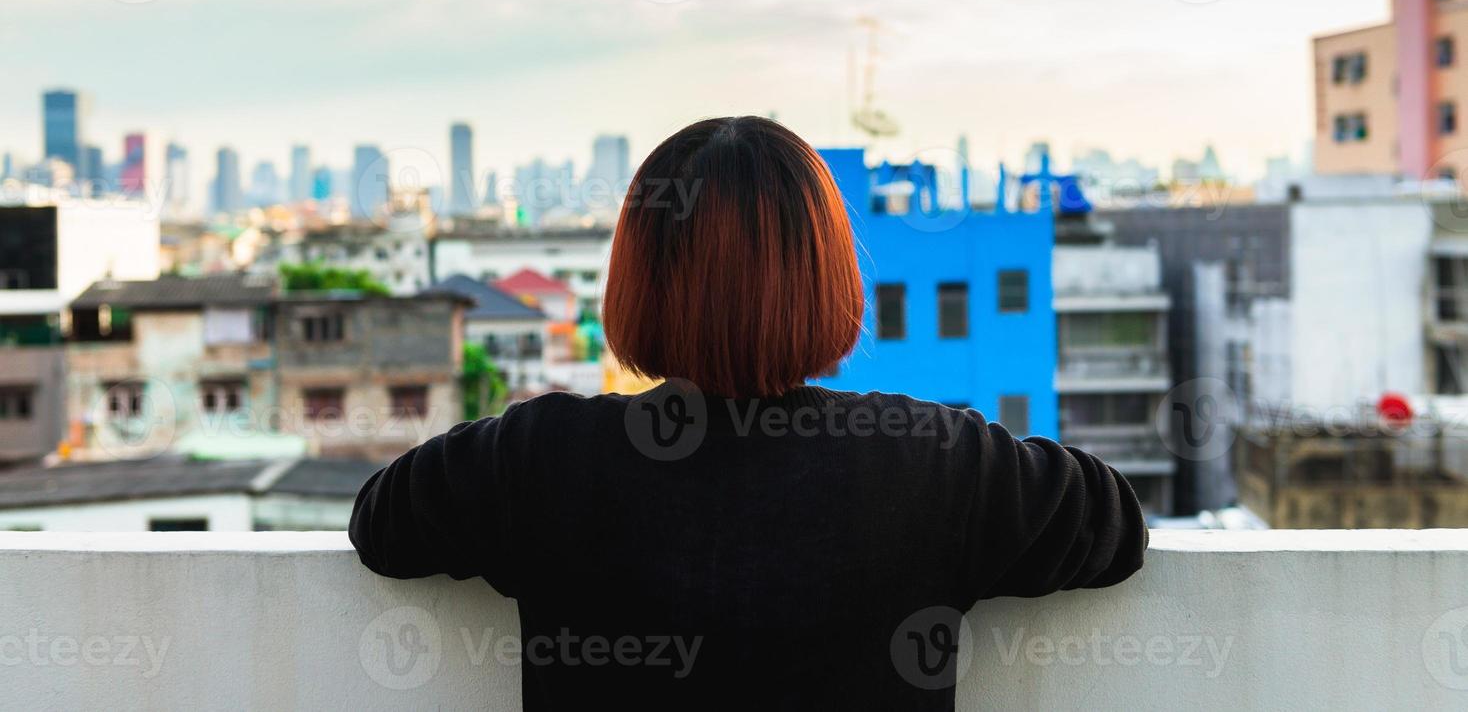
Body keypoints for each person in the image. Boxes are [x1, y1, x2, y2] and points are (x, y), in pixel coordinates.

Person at [350, 115, 1148, 710]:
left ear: (639, 280)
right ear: (827, 279)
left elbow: (382, 527)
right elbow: (1113, 527)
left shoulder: (541, 457)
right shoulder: (931, 460)